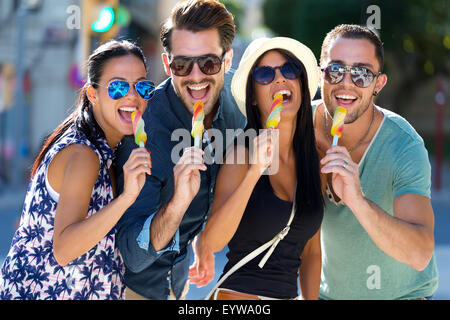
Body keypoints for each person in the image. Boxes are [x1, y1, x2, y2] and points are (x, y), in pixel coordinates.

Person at [0, 40, 154, 300]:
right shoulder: (84, 155)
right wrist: (127, 198)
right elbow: (64, 249)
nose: (132, 96)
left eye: (142, 86)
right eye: (117, 87)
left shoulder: (106, 153)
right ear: (92, 94)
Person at [114, 0, 246, 300]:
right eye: (182, 64)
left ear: (227, 60)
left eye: (209, 63)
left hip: (179, 281)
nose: (196, 76)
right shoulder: (144, 132)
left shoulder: (234, 104)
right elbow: (133, 255)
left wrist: (203, 238)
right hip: (133, 289)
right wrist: (178, 203)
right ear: (166, 65)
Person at [189, 37, 324, 300]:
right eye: (264, 74)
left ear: (301, 84)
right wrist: (254, 173)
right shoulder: (242, 154)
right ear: (253, 97)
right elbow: (214, 241)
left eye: (289, 70)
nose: (280, 79)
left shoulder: (314, 160)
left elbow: (311, 251)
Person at [315, 24, 438, 299]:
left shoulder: (404, 144)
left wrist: (358, 201)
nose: (347, 83)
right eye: (336, 70)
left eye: (361, 73)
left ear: (378, 84)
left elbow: (419, 254)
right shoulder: (298, 129)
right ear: (319, 73)